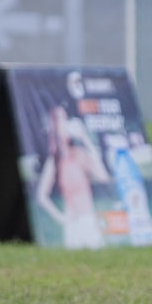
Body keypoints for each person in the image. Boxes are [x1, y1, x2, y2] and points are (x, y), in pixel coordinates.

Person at [36, 104, 111, 249]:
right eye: (60, 120)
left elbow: (103, 177)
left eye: (65, 118)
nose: (65, 124)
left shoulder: (78, 154)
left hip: (89, 219)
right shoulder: (55, 160)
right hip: (73, 222)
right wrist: (62, 218)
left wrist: (85, 139)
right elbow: (41, 196)